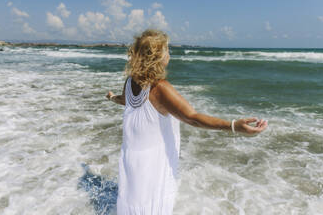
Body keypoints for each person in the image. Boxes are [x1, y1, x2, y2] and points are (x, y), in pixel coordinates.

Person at [106, 29, 268, 214]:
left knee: (136, 203)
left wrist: (112, 98)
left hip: (133, 159)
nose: (169, 54)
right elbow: (193, 118)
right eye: (167, 50)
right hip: (152, 164)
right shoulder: (160, 89)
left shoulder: (130, 82)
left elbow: (127, 101)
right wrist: (233, 126)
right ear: (157, 57)